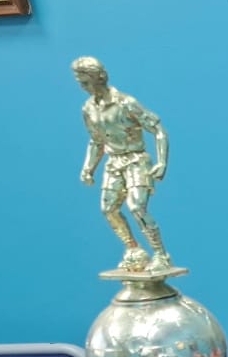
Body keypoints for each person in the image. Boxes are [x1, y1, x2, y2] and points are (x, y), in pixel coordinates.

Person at [72, 56, 173, 272]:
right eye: (80, 83)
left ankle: (161, 254)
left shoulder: (126, 103)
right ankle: (133, 250)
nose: (82, 87)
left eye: (86, 82)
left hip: (136, 160)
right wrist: (89, 168)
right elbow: (96, 141)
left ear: (99, 78)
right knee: (108, 209)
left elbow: (158, 130)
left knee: (136, 207)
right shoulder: (88, 109)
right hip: (114, 163)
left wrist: (162, 162)